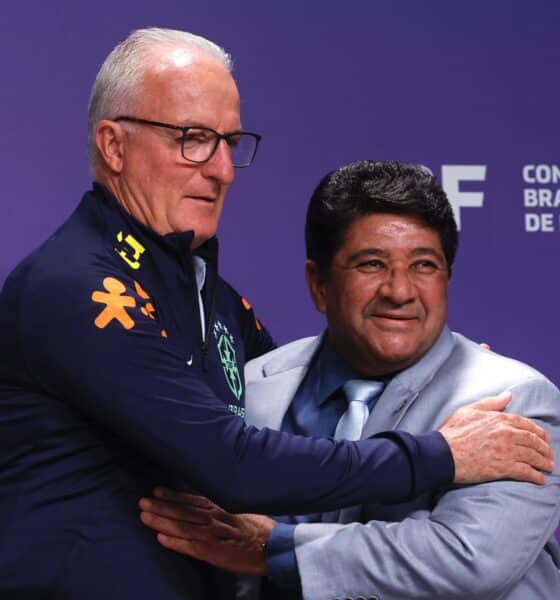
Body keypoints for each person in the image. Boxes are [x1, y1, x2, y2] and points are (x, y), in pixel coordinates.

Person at [139, 161, 560, 599]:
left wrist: (272, 548)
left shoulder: (514, 400)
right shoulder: (251, 388)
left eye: (424, 266)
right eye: (372, 264)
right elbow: (197, 538)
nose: (399, 290)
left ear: (447, 279)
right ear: (318, 284)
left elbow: (466, 557)